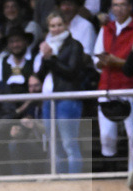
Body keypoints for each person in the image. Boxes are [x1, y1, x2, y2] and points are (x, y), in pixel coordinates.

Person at [94, 0, 133, 164]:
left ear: (130, 7)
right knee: (106, 136)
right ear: (111, 8)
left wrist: (117, 62)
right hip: (106, 87)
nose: (119, 8)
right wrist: (102, 62)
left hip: (129, 87)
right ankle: (112, 174)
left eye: (123, 4)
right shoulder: (105, 28)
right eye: (115, 5)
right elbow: (96, 62)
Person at [34, 12, 87, 173]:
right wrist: (45, 57)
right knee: (53, 144)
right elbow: (41, 74)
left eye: (59, 25)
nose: (56, 29)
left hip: (67, 99)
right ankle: (57, 179)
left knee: (68, 143)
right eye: (52, 26)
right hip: (48, 100)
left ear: (66, 26)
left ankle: (74, 180)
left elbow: (71, 72)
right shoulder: (47, 44)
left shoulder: (74, 45)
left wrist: (51, 58)